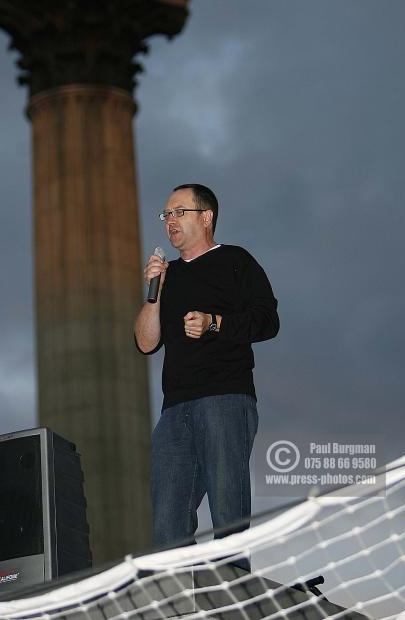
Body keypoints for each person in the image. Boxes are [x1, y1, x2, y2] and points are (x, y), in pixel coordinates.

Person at [135, 183, 279, 559]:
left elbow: (268, 321)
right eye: (166, 214)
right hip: (174, 409)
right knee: (167, 521)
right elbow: (146, 343)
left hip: (225, 398)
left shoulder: (236, 260)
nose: (170, 221)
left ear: (206, 217)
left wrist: (215, 323)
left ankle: (233, 599)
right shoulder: (167, 276)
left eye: (179, 212)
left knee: (228, 516)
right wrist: (152, 295)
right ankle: (174, 605)